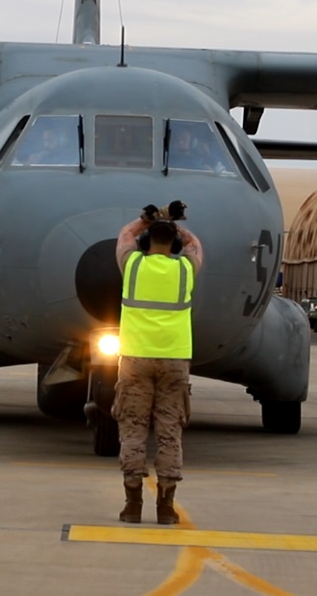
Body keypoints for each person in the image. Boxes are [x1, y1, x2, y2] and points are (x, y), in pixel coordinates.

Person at [112, 200, 204, 525]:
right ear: (175, 243)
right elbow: (195, 244)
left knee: (133, 429)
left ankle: (132, 504)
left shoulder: (133, 265)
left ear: (144, 241)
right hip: (175, 360)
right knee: (169, 432)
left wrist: (146, 220)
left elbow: (125, 235)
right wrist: (175, 224)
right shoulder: (185, 269)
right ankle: (166, 506)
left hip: (135, 358)